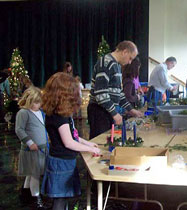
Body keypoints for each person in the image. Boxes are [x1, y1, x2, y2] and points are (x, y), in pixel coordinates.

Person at [41, 72, 101, 210]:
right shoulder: (59, 117)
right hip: (61, 163)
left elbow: (73, 136)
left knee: (63, 197)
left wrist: (87, 143)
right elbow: (69, 142)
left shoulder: (62, 114)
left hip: (64, 161)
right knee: (60, 199)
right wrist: (91, 149)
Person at [88, 40, 143, 139]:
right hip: (99, 111)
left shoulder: (116, 65)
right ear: (124, 52)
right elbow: (100, 94)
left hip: (106, 110)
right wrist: (114, 113)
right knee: (100, 141)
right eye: (130, 58)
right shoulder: (106, 62)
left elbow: (119, 93)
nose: (130, 62)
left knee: (109, 140)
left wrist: (131, 110)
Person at [15, 86, 48, 209]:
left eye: (39, 102)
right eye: (36, 102)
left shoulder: (40, 112)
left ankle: (26, 194)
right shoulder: (23, 113)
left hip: (41, 149)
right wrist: (29, 142)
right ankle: (36, 198)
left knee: (32, 173)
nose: (38, 104)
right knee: (34, 174)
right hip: (31, 150)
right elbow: (19, 130)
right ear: (28, 101)